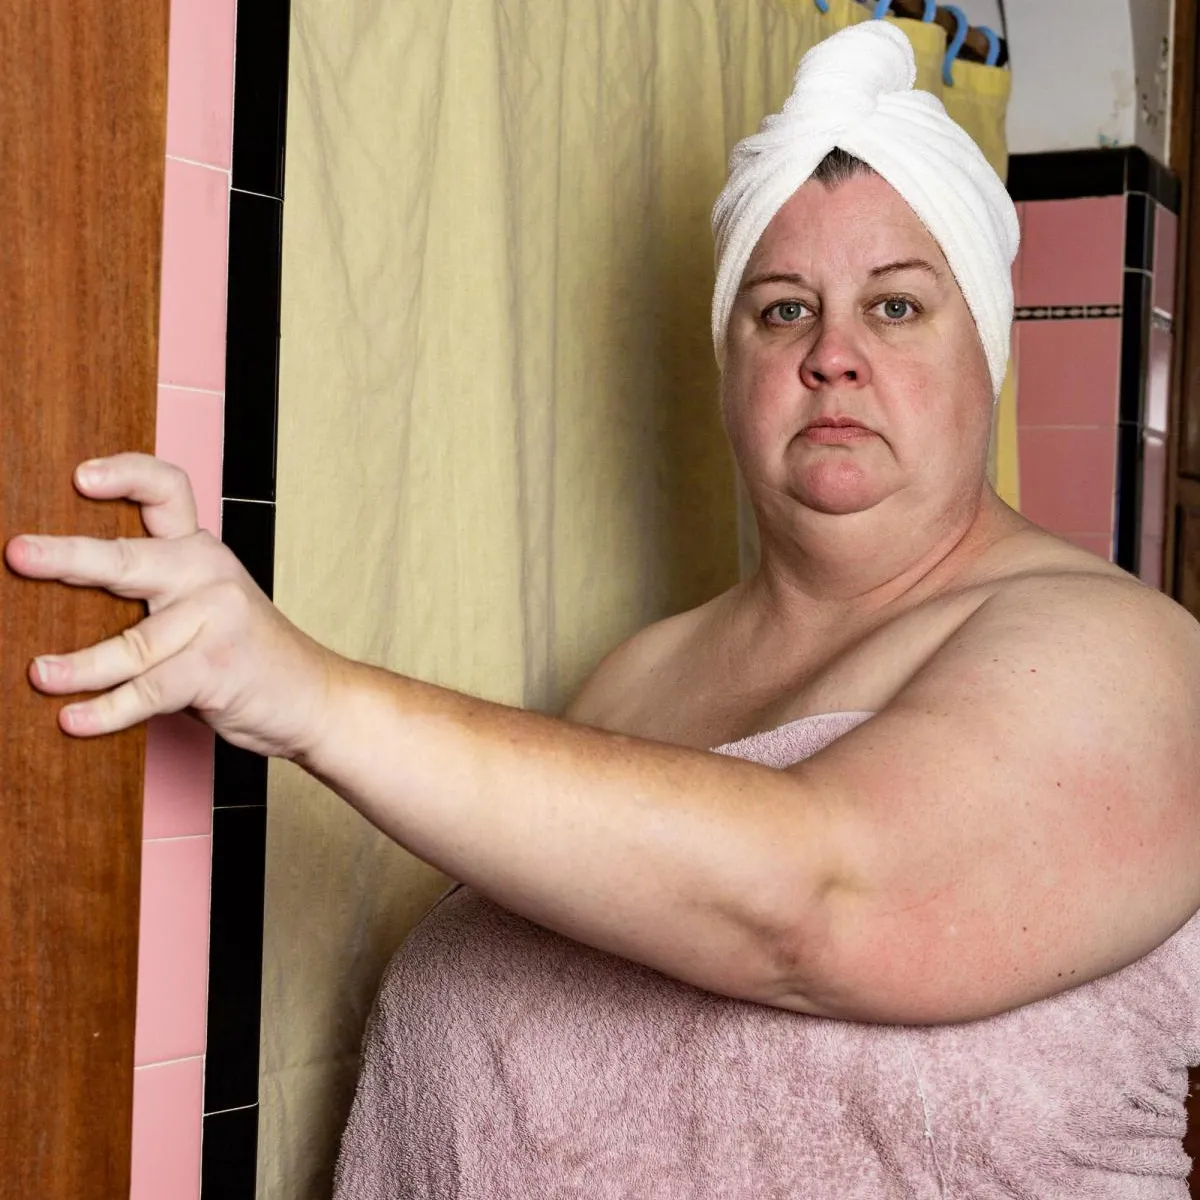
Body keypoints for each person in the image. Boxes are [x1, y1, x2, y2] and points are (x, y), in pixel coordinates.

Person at [8, 20, 1200, 1198]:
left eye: (895, 306)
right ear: (730, 363)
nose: (832, 354)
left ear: (985, 347)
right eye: (783, 308)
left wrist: (305, 692)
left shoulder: (1129, 655)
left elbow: (826, 900)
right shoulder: (637, 681)